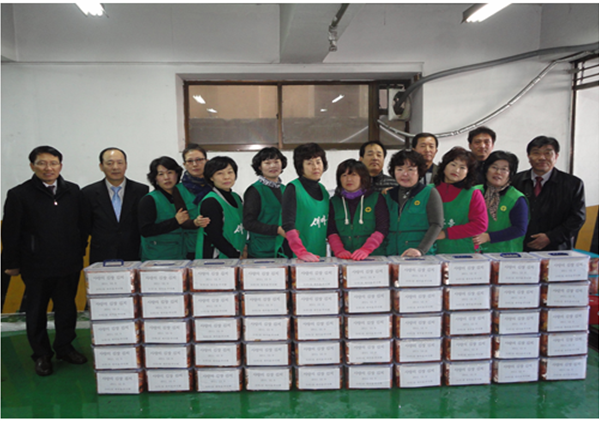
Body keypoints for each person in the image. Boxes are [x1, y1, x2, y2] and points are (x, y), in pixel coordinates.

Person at [2, 146, 88, 376]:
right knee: (36, 311)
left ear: (60, 165)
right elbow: (10, 232)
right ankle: (41, 354)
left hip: (68, 263)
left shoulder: (73, 191)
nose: (48, 168)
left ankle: (65, 348)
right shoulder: (19, 194)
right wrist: (11, 262)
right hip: (35, 265)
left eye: (53, 163)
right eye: (42, 163)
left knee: (67, 309)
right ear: (32, 166)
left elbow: (82, 224)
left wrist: (79, 250)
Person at [512, 136, 585, 251]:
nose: (542, 158)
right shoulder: (515, 181)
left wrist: (551, 237)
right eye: (536, 153)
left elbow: (577, 218)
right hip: (519, 247)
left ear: (556, 156)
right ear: (528, 156)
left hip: (556, 248)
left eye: (548, 153)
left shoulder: (573, 184)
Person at [82, 147, 149, 264]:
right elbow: (85, 227)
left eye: (120, 162)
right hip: (101, 256)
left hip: (133, 255)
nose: (115, 167)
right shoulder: (88, 193)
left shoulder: (141, 191)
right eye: (109, 163)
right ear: (101, 166)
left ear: (126, 165)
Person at [139, 156, 201, 261]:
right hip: (159, 257)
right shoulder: (149, 200)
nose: (166, 177)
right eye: (161, 174)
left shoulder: (187, 194)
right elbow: (145, 230)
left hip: (186, 253)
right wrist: (175, 221)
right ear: (155, 178)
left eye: (170, 172)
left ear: (177, 174)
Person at [327, 159, 389, 260]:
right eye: (344, 175)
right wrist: (339, 250)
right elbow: (331, 230)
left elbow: (382, 228)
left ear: (362, 177)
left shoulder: (376, 198)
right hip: (343, 259)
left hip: (373, 258)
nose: (349, 179)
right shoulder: (334, 202)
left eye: (353, 175)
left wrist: (366, 249)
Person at [385, 150, 444, 256]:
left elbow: (436, 224)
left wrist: (421, 250)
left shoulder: (429, 193)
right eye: (399, 169)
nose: (405, 174)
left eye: (410, 169)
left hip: (419, 255)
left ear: (419, 171)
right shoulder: (388, 195)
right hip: (392, 254)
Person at [433, 147, 488, 254]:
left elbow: (480, 225)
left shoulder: (473, 193)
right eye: (453, 165)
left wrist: (445, 233)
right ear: (444, 166)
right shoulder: (428, 190)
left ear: (468, 172)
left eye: (462, 167)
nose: (456, 170)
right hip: (431, 250)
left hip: (463, 252)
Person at [472, 151, 529, 253]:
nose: (498, 172)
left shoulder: (516, 198)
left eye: (504, 169)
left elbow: (519, 229)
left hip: (504, 254)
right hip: (473, 251)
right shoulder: (474, 192)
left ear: (510, 174)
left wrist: (489, 237)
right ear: (486, 170)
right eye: (494, 167)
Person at [282, 143, 330, 261]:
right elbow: (288, 224)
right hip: (297, 256)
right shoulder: (293, 188)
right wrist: (301, 252)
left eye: (318, 162)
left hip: (319, 254)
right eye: (309, 163)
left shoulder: (323, 190)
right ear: (300, 167)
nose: (315, 167)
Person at [243, 147, 291, 258]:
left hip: (284, 248)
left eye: (276, 162)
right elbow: (248, 223)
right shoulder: (254, 191)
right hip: (262, 250)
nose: (273, 166)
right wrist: (277, 230)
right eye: (267, 163)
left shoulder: (286, 189)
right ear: (259, 167)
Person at [196, 156, 246, 259]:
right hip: (216, 260)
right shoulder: (210, 202)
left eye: (230, 172)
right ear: (211, 177)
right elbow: (214, 236)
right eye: (220, 173)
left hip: (235, 255)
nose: (226, 177)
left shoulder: (236, 198)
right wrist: (234, 254)